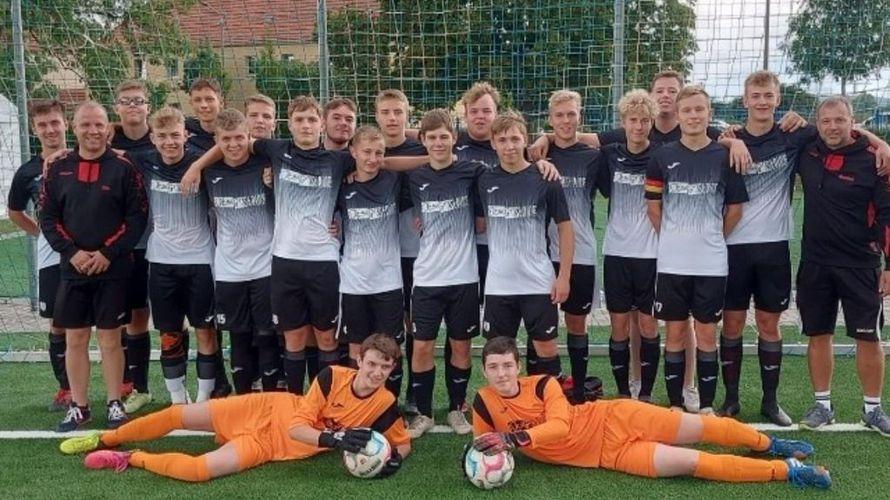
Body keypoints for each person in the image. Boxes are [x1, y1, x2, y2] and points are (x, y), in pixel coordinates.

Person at [470, 337, 831, 489]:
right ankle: (787, 471)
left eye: (507, 365)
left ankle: (769, 444)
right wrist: (477, 459)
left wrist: (513, 438)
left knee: (704, 426)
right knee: (693, 462)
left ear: (518, 366)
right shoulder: (483, 402)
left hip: (615, 417)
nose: (501, 374)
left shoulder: (542, 384)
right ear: (484, 370)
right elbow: (479, 447)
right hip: (609, 455)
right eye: (493, 367)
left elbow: (561, 426)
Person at [59, 334, 410, 482]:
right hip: (265, 409)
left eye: (385, 367)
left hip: (271, 445)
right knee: (176, 415)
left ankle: (129, 457)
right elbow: (297, 426)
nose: (377, 373)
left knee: (197, 471)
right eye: (372, 363)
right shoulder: (331, 376)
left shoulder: (385, 403)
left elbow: (402, 443)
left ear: (392, 369)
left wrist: (391, 459)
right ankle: (105, 438)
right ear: (359, 359)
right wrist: (335, 440)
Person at [40, 101, 148, 432]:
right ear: (74, 128)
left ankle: (115, 403)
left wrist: (107, 253)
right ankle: (79, 406)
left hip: (113, 269)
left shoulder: (124, 167)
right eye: (85, 125)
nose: (93, 131)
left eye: (99, 124)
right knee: (75, 338)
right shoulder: (57, 168)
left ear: (108, 128)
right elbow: (48, 218)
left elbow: (136, 218)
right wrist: (72, 252)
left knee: (110, 339)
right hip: (72, 269)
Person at [644, 86, 748, 414]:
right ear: (677, 115)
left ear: (709, 113)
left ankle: (705, 406)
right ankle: (676, 404)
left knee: (706, 335)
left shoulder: (724, 157)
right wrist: (674, 238)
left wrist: (712, 237)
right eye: (687, 110)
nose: (693, 116)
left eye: (699, 109)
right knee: (674, 333)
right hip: (672, 263)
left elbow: (735, 210)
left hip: (711, 264)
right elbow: (654, 208)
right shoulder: (661, 157)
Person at [796, 96, 890, 435]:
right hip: (815, 263)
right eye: (826, 121)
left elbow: (887, 215)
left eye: (840, 120)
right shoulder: (807, 150)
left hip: (860, 265)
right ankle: (823, 405)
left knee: (869, 338)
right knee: (818, 334)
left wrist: (889, 266)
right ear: (817, 123)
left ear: (853, 121)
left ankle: (873, 409)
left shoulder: (874, 160)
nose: (833, 127)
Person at [404, 109, 486, 437]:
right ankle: (423, 413)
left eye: (444, 136)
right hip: (426, 279)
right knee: (422, 346)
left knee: (461, 346)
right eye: (432, 137)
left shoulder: (473, 172)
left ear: (454, 138)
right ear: (423, 140)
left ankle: (456, 408)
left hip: (464, 278)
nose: (438, 143)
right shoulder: (415, 177)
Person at [477, 111, 574, 379]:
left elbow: (565, 228)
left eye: (515, 139)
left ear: (525, 140)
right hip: (499, 284)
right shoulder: (483, 180)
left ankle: (548, 402)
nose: (509, 146)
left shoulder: (545, 178)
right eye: (502, 140)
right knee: (498, 353)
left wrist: (564, 277)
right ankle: (506, 403)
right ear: (493, 143)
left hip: (538, 281)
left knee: (546, 348)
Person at [135, 106, 219, 404]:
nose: (169, 142)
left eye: (174, 135)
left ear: (186, 135)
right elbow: (111, 152)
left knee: (205, 331)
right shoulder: (144, 162)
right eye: (162, 136)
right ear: (153, 139)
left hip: (200, 261)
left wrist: (197, 167)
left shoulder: (203, 162)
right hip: (161, 262)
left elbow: (228, 145)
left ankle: (203, 399)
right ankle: (177, 399)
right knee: (169, 333)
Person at [202, 109, 277, 397]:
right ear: (217, 141)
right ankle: (243, 401)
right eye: (226, 139)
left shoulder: (266, 165)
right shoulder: (210, 172)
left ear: (249, 137)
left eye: (239, 138)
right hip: (229, 270)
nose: (233, 145)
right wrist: (196, 167)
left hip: (266, 267)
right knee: (239, 336)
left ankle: (270, 399)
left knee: (267, 335)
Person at [544, 90, 610, 402]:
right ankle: (546, 388)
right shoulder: (538, 155)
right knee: (543, 327)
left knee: (576, 323)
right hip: (542, 254)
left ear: (580, 116)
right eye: (559, 115)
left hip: (581, 251)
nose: (566, 120)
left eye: (571, 114)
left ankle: (579, 389)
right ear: (550, 119)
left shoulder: (594, 157)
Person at [6, 99, 68, 411]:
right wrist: (41, 233)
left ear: (65, 124)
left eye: (55, 122)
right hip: (52, 257)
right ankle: (66, 389)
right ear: (34, 130)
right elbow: (14, 212)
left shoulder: (84, 159)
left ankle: (123, 385)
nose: (50, 129)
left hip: (91, 253)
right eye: (42, 125)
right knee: (58, 323)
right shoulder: (27, 172)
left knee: (108, 324)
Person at [337, 126, 406, 400]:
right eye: (366, 152)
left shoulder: (393, 180)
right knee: (356, 347)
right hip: (353, 281)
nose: (373, 159)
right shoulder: (342, 185)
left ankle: (389, 404)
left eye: (379, 153)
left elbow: (408, 162)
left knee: (391, 347)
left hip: (388, 281)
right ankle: (356, 403)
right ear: (352, 152)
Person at [600, 90, 660, 401]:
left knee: (649, 326)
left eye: (644, 120)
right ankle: (623, 393)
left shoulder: (662, 156)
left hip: (651, 255)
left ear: (652, 122)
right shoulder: (609, 155)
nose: (638, 126)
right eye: (633, 120)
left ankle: (645, 393)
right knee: (619, 327)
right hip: (616, 253)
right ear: (623, 122)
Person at [375, 89, 427, 413]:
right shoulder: (366, 149)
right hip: (377, 255)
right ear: (376, 116)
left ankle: (412, 392)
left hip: (413, 250)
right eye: (386, 112)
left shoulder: (421, 148)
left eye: (398, 112)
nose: (392, 118)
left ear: (407, 115)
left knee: (413, 324)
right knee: (387, 326)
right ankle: (384, 393)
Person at [110, 80, 156, 414]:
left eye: (138, 101)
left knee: (175, 319)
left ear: (148, 106)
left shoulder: (163, 137)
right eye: (126, 101)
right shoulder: (107, 142)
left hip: (169, 243)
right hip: (129, 244)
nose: (133, 106)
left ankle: (179, 386)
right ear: (117, 108)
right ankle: (137, 386)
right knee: (135, 316)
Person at [185, 78, 224, 154]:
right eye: (197, 100)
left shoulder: (233, 133)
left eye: (209, 99)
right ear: (191, 103)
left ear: (221, 102)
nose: (203, 105)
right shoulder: (184, 130)